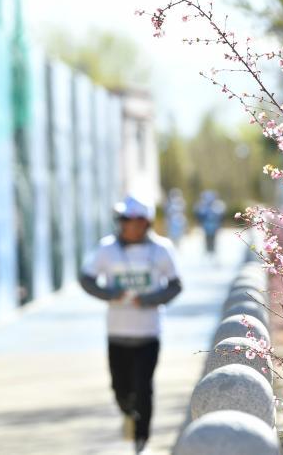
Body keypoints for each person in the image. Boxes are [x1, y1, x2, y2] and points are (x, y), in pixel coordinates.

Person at [79, 195, 183, 454]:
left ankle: (141, 438)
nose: (128, 225)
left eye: (133, 220)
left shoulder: (161, 249)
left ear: (146, 223)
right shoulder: (107, 248)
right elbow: (86, 278)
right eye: (124, 220)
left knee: (143, 387)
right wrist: (109, 294)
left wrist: (148, 299)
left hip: (148, 333)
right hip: (117, 333)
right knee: (120, 389)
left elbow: (175, 285)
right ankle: (128, 413)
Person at [194, 190, 226, 254]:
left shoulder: (217, 205)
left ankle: (212, 252)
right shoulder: (203, 206)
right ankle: (208, 252)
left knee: (213, 240)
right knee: (207, 239)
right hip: (207, 226)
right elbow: (199, 215)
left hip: (214, 226)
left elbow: (221, 215)